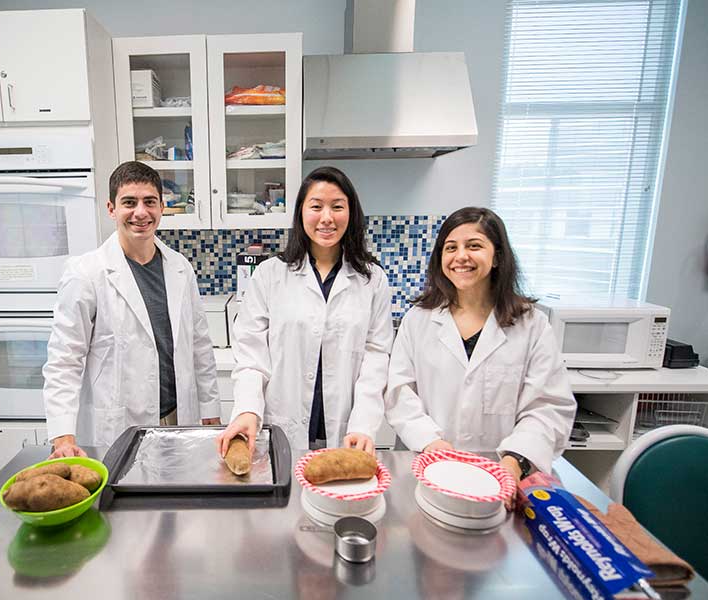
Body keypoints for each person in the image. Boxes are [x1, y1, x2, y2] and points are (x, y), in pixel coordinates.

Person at [384, 206, 575, 499]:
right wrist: (432, 444)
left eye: (474, 246)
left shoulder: (531, 325)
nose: (461, 256)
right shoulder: (419, 319)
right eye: (451, 248)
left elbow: (547, 408)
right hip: (430, 469)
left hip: (502, 477)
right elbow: (400, 392)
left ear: (497, 256)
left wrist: (513, 463)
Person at [44, 161, 220, 458]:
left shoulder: (180, 268)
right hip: (120, 425)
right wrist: (62, 437)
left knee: (180, 497)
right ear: (111, 209)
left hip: (179, 419)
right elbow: (64, 360)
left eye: (149, 202)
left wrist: (211, 413)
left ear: (162, 207)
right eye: (129, 202)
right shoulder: (86, 273)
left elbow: (200, 348)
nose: (141, 212)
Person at [216, 166, 393, 458]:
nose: (327, 218)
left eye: (337, 207)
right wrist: (247, 409)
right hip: (283, 422)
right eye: (316, 207)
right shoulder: (270, 274)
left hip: (347, 427)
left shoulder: (372, 279)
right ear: (300, 212)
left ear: (351, 213)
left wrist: (363, 423)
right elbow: (251, 355)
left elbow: (376, 358)